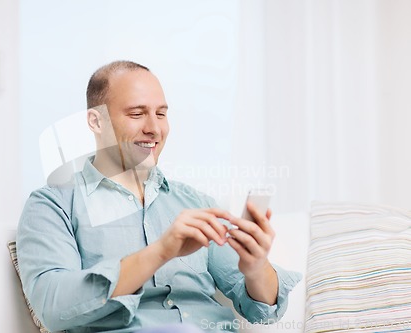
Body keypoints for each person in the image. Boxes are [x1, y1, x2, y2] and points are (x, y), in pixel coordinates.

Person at [17, 61, 301, 333]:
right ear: (96, 121)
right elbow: (53, 308)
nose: (154, 128)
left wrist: (256, 267)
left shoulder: (195, 203)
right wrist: (162, 251)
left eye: (161, 114)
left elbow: (262, 310)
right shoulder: (53, 205)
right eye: (137, 114)